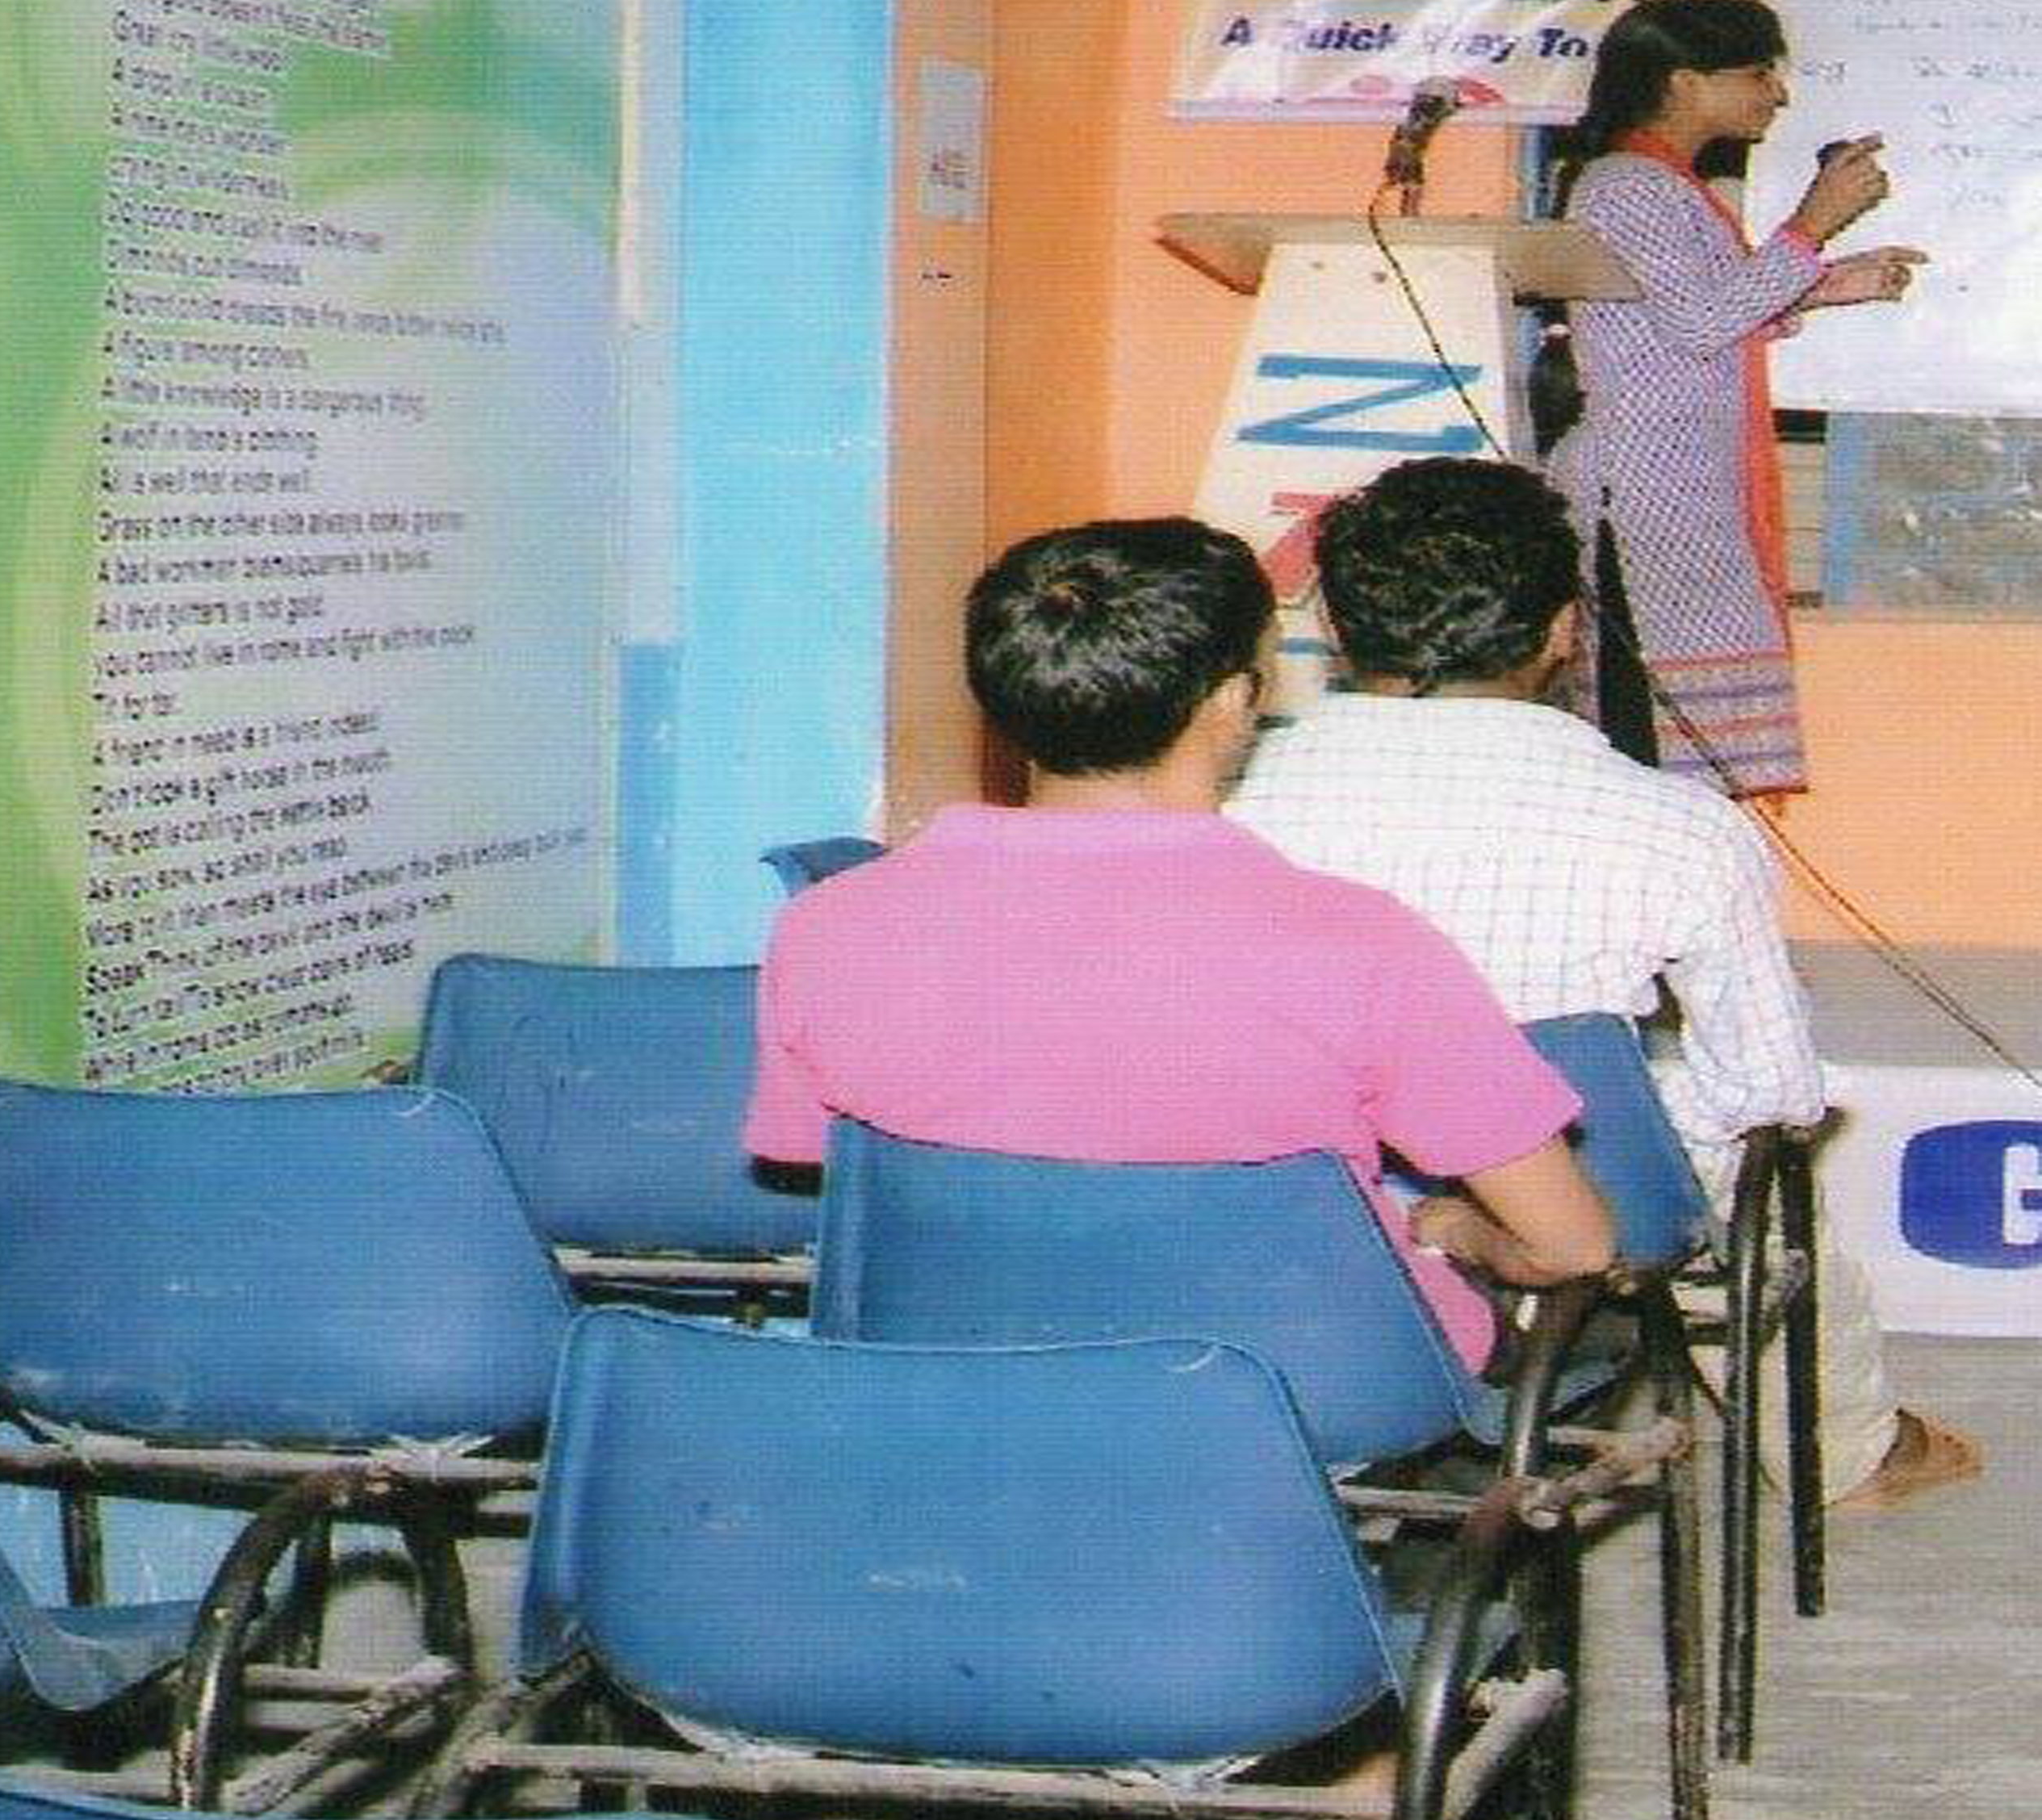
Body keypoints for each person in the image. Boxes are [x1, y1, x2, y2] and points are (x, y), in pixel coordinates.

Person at [1228, 455, 1977, 1511]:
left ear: (1340, 631)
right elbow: (1772, 1091)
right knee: (1757, 1171)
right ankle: (1846, 1454)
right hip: (1583, 1204)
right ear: (1562, 632)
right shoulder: (1682, 828)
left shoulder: (1230, 802)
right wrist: (1592, 1107)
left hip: (1299, 1186)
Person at [743, 517, 1613, 1374]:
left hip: (957, 1372)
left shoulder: (830, 922)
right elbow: (1572, 1245)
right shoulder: (1363, 943)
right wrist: (1460, 1230)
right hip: (1314, 1386)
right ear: (1235, 700)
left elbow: (813, 1163)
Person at [1546, 0, 1923, 797]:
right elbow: (1700, 320)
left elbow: (1702, 311)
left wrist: (1829, 285)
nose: (1777, 94)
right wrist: (1812, 223)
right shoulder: (1625, 186)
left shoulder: (1667, 186)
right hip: (1639, 497)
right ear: (1683, 81)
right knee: (1640, 736)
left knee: (1672, 739)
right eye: (1757, 74)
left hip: (1677, 492)